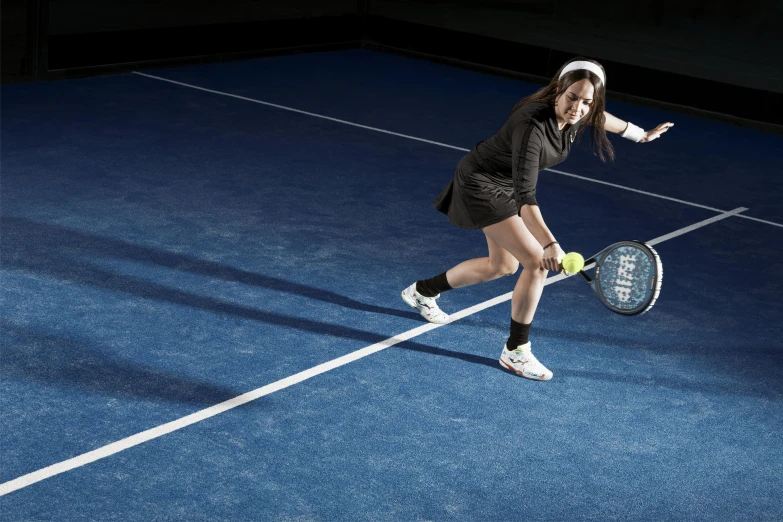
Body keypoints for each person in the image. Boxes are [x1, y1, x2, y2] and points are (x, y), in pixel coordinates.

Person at [401, 58, 673, 381]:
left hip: (503, 186)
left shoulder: (580, 113)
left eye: (587, 102)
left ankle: (422, 291)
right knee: (536, 262)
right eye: (573, 97)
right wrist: (550, 244)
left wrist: (639, 135)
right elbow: (526, 200)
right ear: (559, 88)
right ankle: (515, 351)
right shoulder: (532, 128)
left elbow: (600, 118)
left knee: (501, 266)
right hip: (481, 184)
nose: (578, 108)